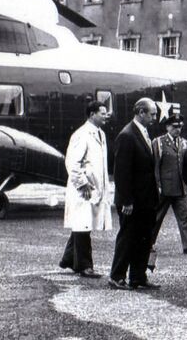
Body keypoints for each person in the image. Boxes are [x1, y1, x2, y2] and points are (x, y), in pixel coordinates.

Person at [109, 98, 160, 291]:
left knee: (144, 238)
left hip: (146, 199)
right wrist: (127, 200)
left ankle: (138, 276)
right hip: (133, 201)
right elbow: (121, 172)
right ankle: (117, 276)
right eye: (152, 114)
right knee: (128, 238)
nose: (155, 118)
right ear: (140, 112)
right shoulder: (127, 135)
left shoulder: (143, 132)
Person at [59, 101, 112, 278]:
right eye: (102, 113)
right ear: (92, 115)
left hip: (94, 187)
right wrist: (82, 183)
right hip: (83, 189)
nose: (106, 115)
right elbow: (72, 162)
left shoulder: (100, 134)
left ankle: (68, 258)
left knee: (83, 224)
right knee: (83, 225)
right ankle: (84, 266)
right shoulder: (81, 135)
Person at [150, 113, 187, 254]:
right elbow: (155, 165)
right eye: (175, 127)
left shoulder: (184, 143)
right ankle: (149, 243)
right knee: (156, 218)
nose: (178, 130)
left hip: (181, 187)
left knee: (186, 217)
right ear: (168, 127)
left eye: (180, 127)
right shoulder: (158, 142)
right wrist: (156, 185)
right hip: (164, 188)